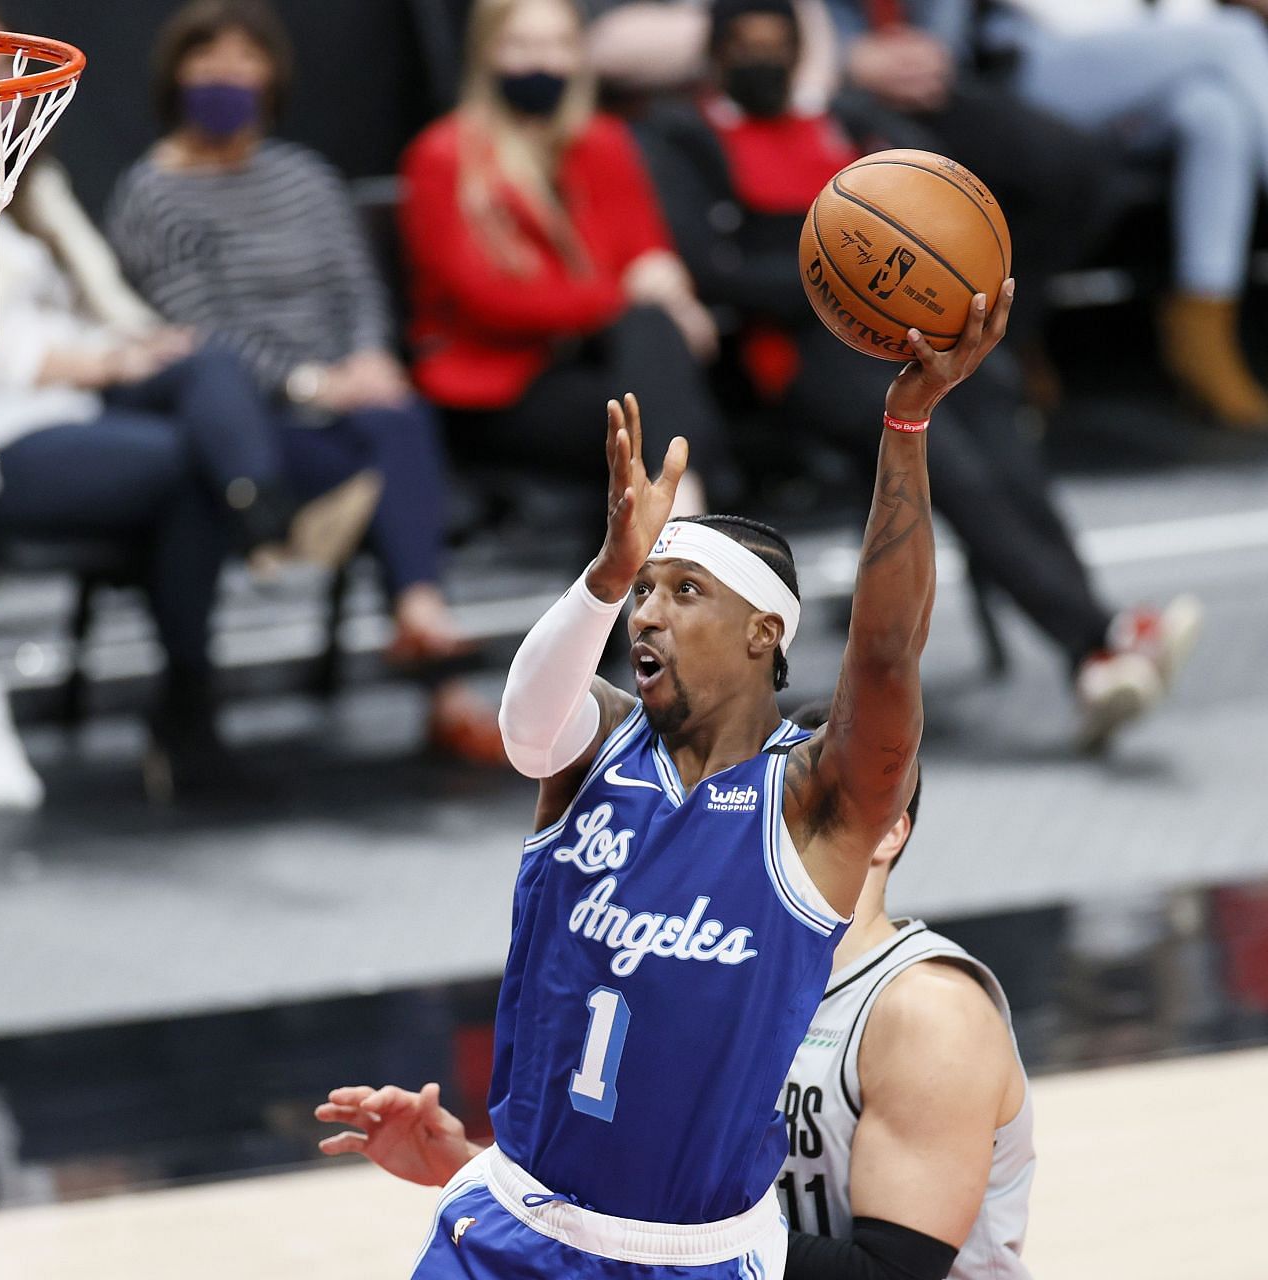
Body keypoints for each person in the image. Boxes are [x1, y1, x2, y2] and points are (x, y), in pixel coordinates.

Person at [318, 262, 1014, 1279]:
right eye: (642, 590)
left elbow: (885, 654)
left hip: (690, 1257)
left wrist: (904, 432)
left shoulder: (812, 803)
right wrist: (603, 572)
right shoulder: (597, 742)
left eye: (682, 590)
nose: (645, 613)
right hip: (508, 1226)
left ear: (761, 632)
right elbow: (524, 724)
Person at [638, 0, 1201, 750]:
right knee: (950, 461)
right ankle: (1097, 637)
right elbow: (715, 269)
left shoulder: (847, 119)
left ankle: (1096, 650)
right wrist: (839, 288)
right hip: (800, 357)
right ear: (715, 54)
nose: (761, 59)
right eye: (744, 45)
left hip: (905, 337)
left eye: (778, 44)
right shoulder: (687, 136)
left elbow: (941, 209)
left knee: (1003, 431)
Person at [316, 710, 1037, 1280]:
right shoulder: (713, 979)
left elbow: (893, 1275)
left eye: (818, 816)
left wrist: (657, 1247)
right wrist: (484, 1170)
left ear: (888, 834)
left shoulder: (926, 1012)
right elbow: (646, 1194)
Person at [106, 0, 502, 763]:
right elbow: (196, 333)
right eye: (208, 60)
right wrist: (314, 383)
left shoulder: (305, 177)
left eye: (244, 59)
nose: (228, 76)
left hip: (353, 404)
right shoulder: (152, 194)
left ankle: (423, 628)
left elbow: (357, 292)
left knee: (397, 415)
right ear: (174, 76)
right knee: (392, 437)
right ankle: (434, 658)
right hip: (247, 426)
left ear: (273, 76)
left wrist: (368, 360)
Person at [0, 160, 380, 795]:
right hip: (3, 432)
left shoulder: (37, 185)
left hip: (85, 403)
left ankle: (254, 506)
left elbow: (99, 296)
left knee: (210, 358)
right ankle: (196, 694)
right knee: (190, 461)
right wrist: (109, 362)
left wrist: (143, 345)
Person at [400, 0, 735, 512]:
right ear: (486, 52)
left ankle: (669, 518)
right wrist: (623, 295)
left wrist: (660, 283)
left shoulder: (601, 141)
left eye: (559, 45)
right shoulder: (444, 155)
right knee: (666, 385)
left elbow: (646, 249)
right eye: (524, 45)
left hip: (601, 362)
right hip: (500, 390)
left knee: (652, 348)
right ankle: (679, 520)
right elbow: (490, 299)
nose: (545, 62)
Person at [816, 0, 1118, 409]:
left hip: (931, 81)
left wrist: (934, 50)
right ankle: (923, 360)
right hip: (821, 87)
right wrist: (845, 56)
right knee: (931, 192)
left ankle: (996, 337)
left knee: (1075, 166)